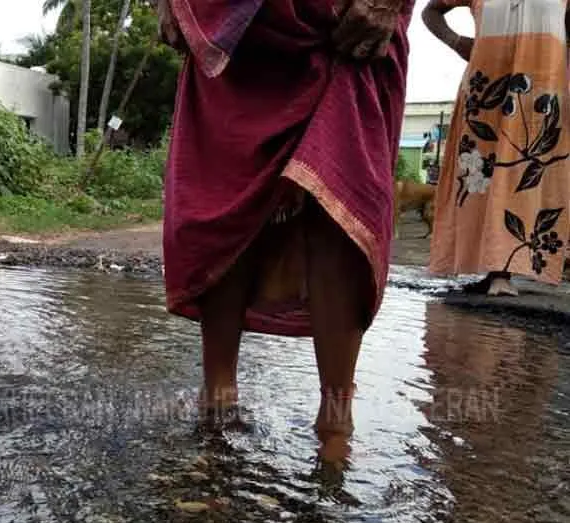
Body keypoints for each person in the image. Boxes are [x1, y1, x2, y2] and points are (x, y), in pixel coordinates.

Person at [158, 0, 414, 447]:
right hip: (230, 24)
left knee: (343, 195)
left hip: (343, 23)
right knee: (222, 196)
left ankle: (336, 429)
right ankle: (217, 412)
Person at [425, 0, 570, 296]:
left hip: (542, 95)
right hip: (487, 95)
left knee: (539, 178)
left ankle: (524, 267)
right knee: (485, 181)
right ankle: (497, 272)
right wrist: (456, 42)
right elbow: (430, 11)